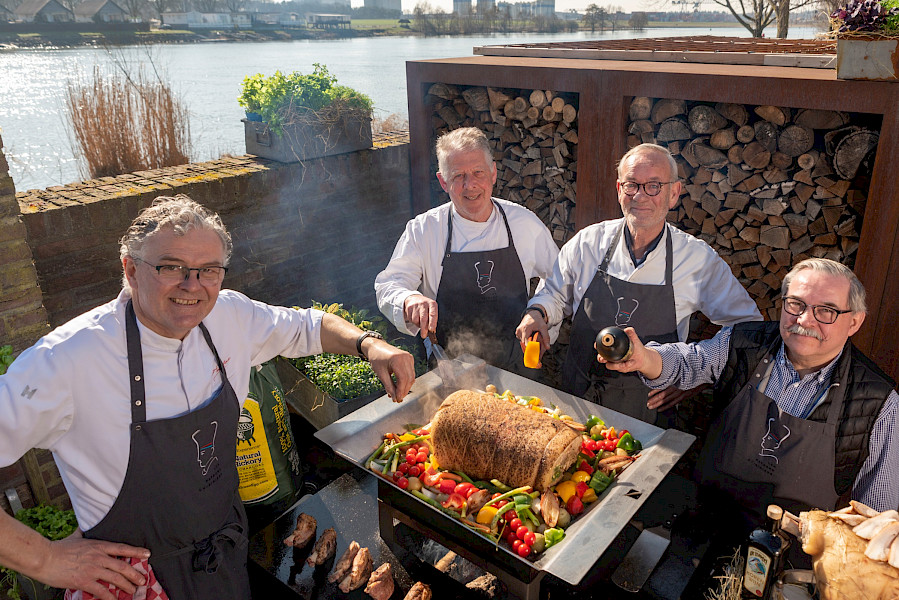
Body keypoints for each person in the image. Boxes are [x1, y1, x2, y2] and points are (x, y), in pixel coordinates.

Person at [0, 195, 415, 600]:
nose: (192, 286)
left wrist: (369, 344)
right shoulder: (66, 360)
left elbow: (307, 326)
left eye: (208, 270)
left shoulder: (229, 316)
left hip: (224, 553)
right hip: (134, 581)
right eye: (170, 267)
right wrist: (46, 559)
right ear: (130, 270)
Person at [601, 258, 898, 514]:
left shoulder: (880, 402)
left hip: (790, 558)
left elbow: (876, 513)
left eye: (826, 311)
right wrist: (644, 358)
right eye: (795, 304)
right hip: (704, 520)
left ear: (855, 322)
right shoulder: (743, 342)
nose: (805, 319)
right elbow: (689, 362)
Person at [516, 143, 761, 425]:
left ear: (674, 193)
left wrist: (693, 379)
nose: (641, 196)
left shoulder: (697, 260)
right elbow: (554, 293)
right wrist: (538, 314)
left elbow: (747, 329)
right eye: (632, 185)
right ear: (620, 190)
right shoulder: (589, 242)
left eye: (654, 186)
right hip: (577, 398)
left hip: (648, 412)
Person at [375, 127, 559, 372]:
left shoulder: (523, 223)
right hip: (450, 369)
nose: (469, 185)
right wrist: (409, 298)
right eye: (458, 175)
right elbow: (389, 285)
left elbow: (560, 280)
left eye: (478, 172)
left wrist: (539, 309)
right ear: (443, 181)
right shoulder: (425, 229)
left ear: (493, 173)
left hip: (518, 365)